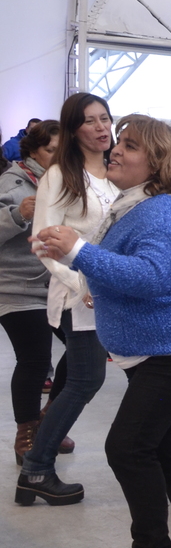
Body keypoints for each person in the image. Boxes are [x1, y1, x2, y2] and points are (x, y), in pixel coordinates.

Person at [33, 114, 171, 548]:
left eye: (131, 145)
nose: (116, 149)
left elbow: (150, 277)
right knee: (166, 449)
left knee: (128, 448)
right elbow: (133, 272)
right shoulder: (137, 207)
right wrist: (86, 268)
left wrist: (79, 251)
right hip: (164, 350)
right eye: (118, 141)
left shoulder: (159, 211)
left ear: (159, 163)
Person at [21, 94, 119, 504]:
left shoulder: (116, 173)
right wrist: (81, 284)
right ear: (74, 129)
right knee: (85, 380)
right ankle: (37, 467)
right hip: (79, 295)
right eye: (90, 121)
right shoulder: (61, 175)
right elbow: (41, 243)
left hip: (117, 291)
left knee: (108, 377)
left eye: (105, 118)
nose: (101, 127)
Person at [0, 121, 65, 474]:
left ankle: (48, 420)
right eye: (51, 150)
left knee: (86, 351)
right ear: (33, 152)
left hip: (57, 284)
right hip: (16, 288)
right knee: (36, 358)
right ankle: (25, 434)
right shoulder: (12, 183)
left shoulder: (65, 183)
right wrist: (17, 214)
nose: (58, 156)